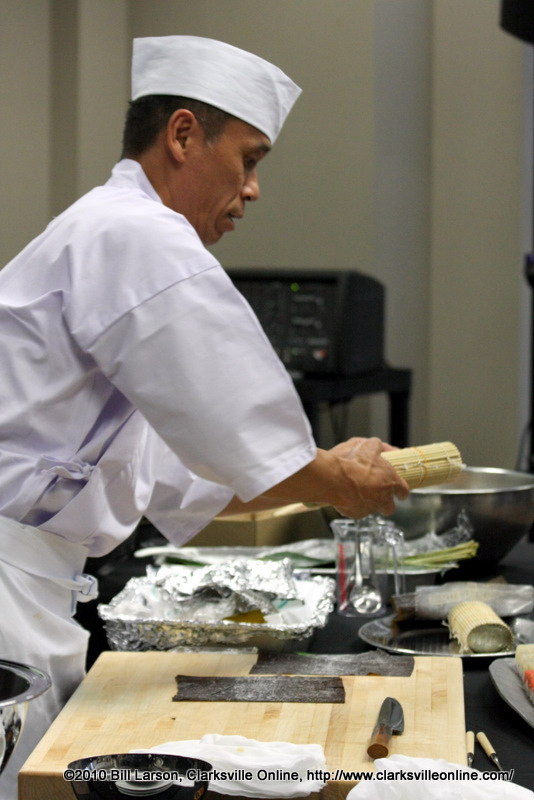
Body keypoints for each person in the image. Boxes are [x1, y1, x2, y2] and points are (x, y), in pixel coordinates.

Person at [0, 36, 409, 798]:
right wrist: (334, 478)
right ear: (183, 135)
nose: (252, 190)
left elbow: (199, 474)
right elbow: (243, 437)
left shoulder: (113, 235)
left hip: (34, 585)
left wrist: (326, 470)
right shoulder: (133, 232)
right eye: (249, 160)